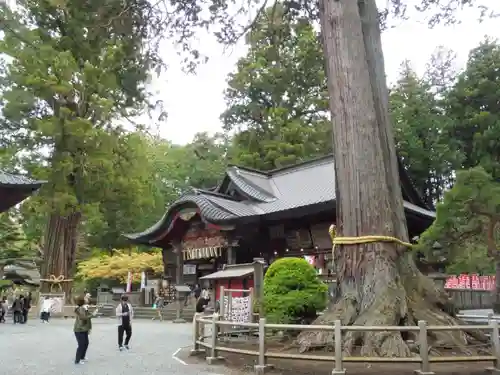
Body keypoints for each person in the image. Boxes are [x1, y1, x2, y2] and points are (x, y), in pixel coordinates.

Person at [74, 295, 95, 364]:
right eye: (85, 298)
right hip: (79, 329)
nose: (87, 299)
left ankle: (82, 357)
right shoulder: (80, 309)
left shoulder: (83, 307)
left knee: (86, 343)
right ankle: (77, 360)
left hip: (84, 329)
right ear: (82, 301)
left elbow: (87, 316)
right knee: (81, 344)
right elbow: (83, 318)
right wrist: (93, 314)